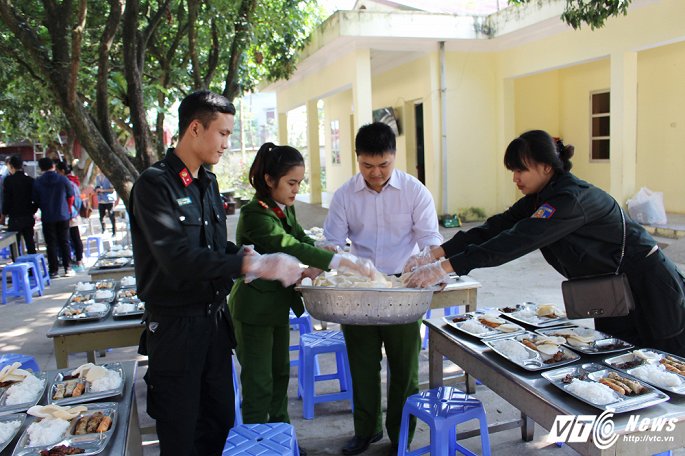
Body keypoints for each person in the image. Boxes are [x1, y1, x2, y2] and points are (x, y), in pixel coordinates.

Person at [405, 129, 685, 356]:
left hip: (650, 288)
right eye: (512, 170)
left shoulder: (570, 200)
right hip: (613, 291)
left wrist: (445, 268)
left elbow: (515, 241)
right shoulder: (539, 199)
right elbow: (495, 228)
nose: (515, 178)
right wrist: (435, 253)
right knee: (622, 357)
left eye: (521, 170)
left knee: (667, 364)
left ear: (546, 167)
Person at [129, 90, 303, 456]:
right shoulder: (154, 185)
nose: (227, 144)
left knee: (219, 425)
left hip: (214, 326)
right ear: (195, 128)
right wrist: (246, 264)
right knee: (181, 434)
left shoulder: (207, 184)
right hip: (175, 329)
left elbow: (212, 248)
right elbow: (176, 258)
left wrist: (250, 257)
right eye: (223, 133)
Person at [228, 143, 376, 455]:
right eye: (291, 183)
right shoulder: (255, 214)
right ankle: (257, 446)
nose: (296, 190)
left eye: (299, 183)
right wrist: (341, 262)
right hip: (253, 311)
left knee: (281, 376)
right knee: (259, 384)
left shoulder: (283, 208)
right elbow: (289, 244)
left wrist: (329, 251)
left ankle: (283, 441)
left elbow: (301, 239)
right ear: (270, 180)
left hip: (276, 309)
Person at [323, 122, 443, 455]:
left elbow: (430, 239)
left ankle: (400, 434)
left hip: (403, 289)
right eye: (367, 166)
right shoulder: (345, 194)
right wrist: (336, 257)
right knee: (361, 363)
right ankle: (366, 430)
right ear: (357, 159)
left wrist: (426, 264)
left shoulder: (415, 191)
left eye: (383, 165)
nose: (375, 173)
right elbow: (331, 242)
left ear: (394, 157)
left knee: (404, 367)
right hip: (358, 291)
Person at [33, 157, 75, 278]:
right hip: (63, 215)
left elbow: (35, 200)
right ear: (53, 166)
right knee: (65, 241)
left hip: (47, 216)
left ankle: (54, 270)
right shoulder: (62, 179)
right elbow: (71, 195)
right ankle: (68, 267)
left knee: (51, 243)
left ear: (41, 168)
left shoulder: (38, 181)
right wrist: (68, 210)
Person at [2, 155, 38, 257]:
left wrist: (3, 215)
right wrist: (32, 210)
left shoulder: (8, 181)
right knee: (30, 243)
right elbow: (36, 199)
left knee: (14, 244)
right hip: (27, 216)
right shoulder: (30, 180)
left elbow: (7, 200)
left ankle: (17, 264)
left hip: (14, 217)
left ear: (11, 166)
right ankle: (32, 269)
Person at [56, 161, 84, 270]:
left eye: (57, 171)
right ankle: (78, 260)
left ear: (62, 171)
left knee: (72, 238)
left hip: (70, 214)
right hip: (73, 213)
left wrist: (69, 211)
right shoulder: (73, 181)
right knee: (74, 237)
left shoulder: (67, 182)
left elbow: (72, 199)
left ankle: (78, 260)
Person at [95, 169, 117, 235]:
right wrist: (97, 190)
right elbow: (97, 187)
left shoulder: (109, 177)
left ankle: (114, 231)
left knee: (111, 215)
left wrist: (103, 190)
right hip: (101, 200)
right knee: (101, 217)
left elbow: (112, 189)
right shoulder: (98, 177)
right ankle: (104, 229)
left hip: (109, 200)